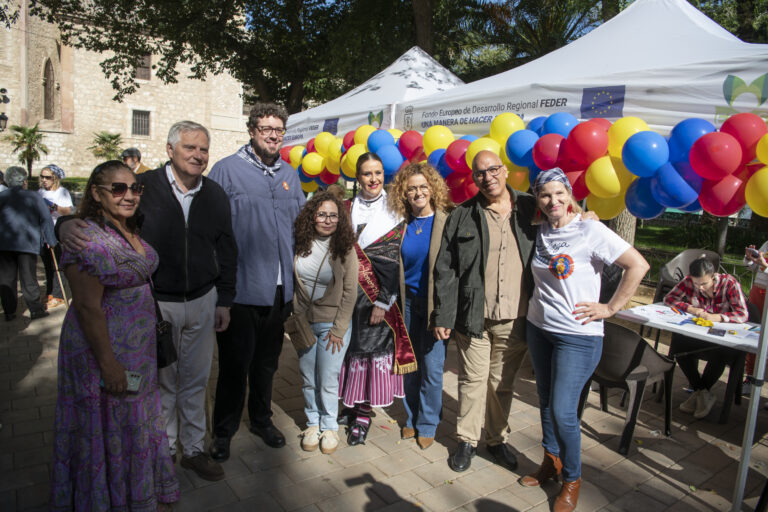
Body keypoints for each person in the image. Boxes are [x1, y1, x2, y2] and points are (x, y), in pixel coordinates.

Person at [58, 121, 237, 482]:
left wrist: (225, 298)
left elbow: (227, 246)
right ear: (170, 149)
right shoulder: (145, 188)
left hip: (203, 299)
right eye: (190, 147)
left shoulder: (215, 193)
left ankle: (195, 448)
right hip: (158, 304)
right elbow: (98, 223)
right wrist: (62, 227)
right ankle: (164, 449)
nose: (198, 155)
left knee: (196, 379)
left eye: (203, 149)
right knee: (163, 381)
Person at [49, 160, 179, 511]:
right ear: (96, 192)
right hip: (103, 351)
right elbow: (88, 307)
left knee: (134, 422)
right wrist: (108, 364)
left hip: (139, 351)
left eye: (135, 188)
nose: (129, 195)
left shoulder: (126, 226)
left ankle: (137, 493)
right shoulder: (85, 238)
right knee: (110, 424)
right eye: (118, 188)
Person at [520, 168, 649, 512]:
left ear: (569, 193)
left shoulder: (590, 228)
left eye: (559, 193)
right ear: (538, 199)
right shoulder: (541, 229)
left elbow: (637, 265)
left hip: (578, 337)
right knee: (546, 402)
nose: (553, 201)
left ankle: (572, 479)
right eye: (545, 195)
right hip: (539, 328)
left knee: (564, 411)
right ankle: (552, 461)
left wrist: (611, 307)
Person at [208, 103, 305, 460]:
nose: (272, 134)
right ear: (251, 131)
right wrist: (221, 293)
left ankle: (262, 420)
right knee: (234, 366)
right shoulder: (226, 171)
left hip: (280, 292)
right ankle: (223, 431)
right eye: (265, 128)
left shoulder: (290, 175)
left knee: (267, 364)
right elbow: (212, 231)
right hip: (242, 290)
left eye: (278, 129)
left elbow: (302, 230)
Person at [432, 150, 535, 473]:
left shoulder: (531, 208)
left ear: (504, 171)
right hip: (472, 315)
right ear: (473, 178)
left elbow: (564, 218)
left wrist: (583, 216)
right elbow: (445, 270)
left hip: (516, 316)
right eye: (480, 173)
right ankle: (466, 441)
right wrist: (444, 316)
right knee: (473, 381)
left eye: (492, 170)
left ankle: (496, 439)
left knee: (501, 384)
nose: (487, 177)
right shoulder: (463, 215)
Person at [338, 152, 416, 446]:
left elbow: (397, 261)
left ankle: (363, 414)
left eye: (378, 173)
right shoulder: (346, 207)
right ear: (357, 178)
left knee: (370, 353)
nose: (373, 179)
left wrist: (384, 301)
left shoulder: (396, 209)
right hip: (348, 295)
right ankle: (351, 404)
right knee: (348, 351)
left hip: (378, 297)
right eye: (367, 174)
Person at [389, 162, 453, 450]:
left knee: (432, 367)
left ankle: (428, 422)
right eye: (412, 187)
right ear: (404, 192)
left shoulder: (446, 221)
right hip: (407, 305)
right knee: (410, 366)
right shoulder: (402, 226)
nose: (418, 192)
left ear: (433, 189)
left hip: (434, 308)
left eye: (423, 187)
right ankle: (412, 417)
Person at [293, 191, 357, 454]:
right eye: (322, 214)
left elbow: (350, 291)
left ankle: (329, 426)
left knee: (328, 378)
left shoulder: (344, 248)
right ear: (312, 216)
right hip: (303, 322)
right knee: (308, 376)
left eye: (333, 215)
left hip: (333, 324)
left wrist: (340, 328)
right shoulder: (299, 243)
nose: (328, 220)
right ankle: (312, 422)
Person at [665, 257, 749, 419]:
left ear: (713, 276)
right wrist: (691, 309)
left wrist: (718, 317)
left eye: (704, 284)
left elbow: (742, 314)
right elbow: (670, 299)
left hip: (723, 335)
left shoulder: (729, 284)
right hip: (698, 332)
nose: (700, 288)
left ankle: (699, 393)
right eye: (696, 284)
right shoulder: (688, 281)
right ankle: (702, 394)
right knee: (679, 346)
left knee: (720, 353)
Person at [0, 166, 56, 321]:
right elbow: (45, 219)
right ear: (24, 181)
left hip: (4, 243)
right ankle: (35, 310)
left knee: (6, 278)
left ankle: (9, 312)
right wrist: (51, 240)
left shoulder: (2, 196)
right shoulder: (33, 197)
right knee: (29, 277)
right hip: (27, 243)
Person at [37, 164, 73, 309]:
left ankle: (59, 294)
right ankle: (50, 291)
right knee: (47, 265)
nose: (44, 180)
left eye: (48, 177)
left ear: (55, 178)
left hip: (57, 231)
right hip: (42, 232)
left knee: (58, 264)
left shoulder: (62, 192)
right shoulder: (39, 192)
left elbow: (67, 211)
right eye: (42, 176)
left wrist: (52, 207)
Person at [743, 242, 767, 395]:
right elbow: (752, 269)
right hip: (757, 292)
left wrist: (765, 266)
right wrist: (749, 259)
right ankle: (750, 377)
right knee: (753, 334)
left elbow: (764, 267)